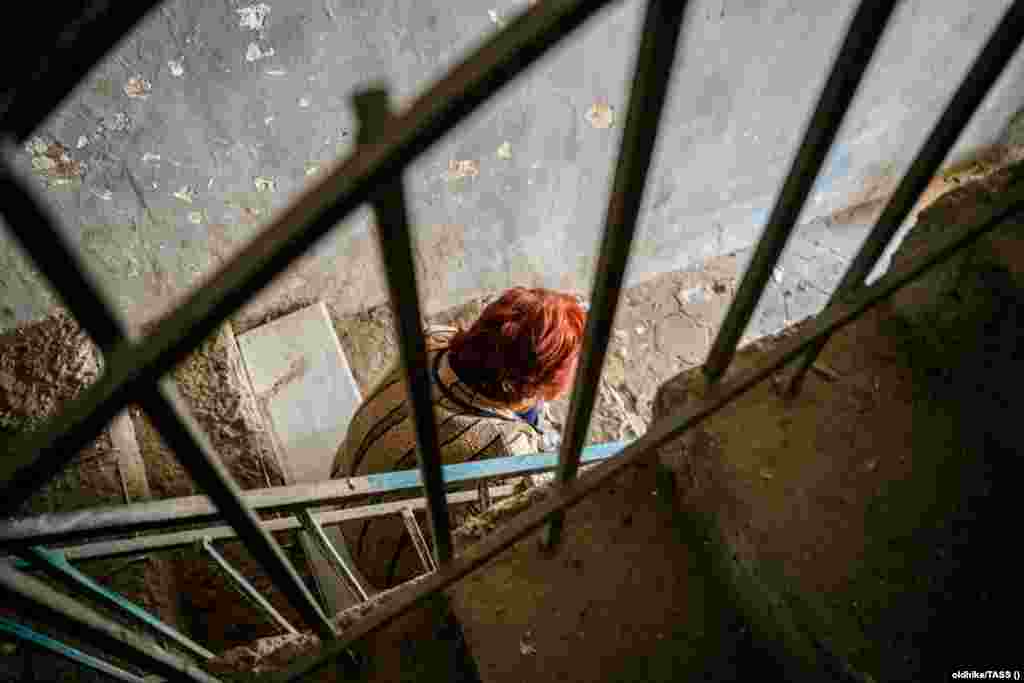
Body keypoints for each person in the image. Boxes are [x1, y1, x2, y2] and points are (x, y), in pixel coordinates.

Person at [331, 287, 586, 590]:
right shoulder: (509, 451)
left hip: (343, 487)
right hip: (384, 565)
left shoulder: (431, 339)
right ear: (537, 384)